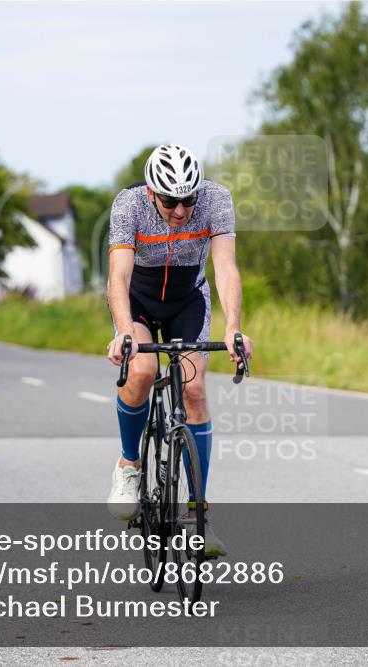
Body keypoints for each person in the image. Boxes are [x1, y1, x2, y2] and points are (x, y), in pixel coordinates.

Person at [104, 144, 254, 558]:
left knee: (194, 390)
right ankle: (130, 465)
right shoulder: (128, 205)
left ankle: (197, 516)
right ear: (152, 192)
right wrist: (123, 332)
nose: (182, 211)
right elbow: (118, 276)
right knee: (142, 371)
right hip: (139, 299)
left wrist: (233, 329)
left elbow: (225, 268)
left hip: (188, 298)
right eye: (171, 201)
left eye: (189, 199)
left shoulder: (217, 199)